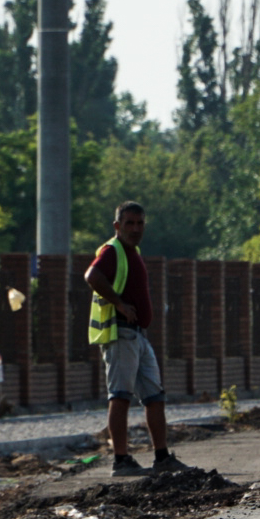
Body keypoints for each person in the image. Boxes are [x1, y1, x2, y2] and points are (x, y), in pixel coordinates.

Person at [85, 201, 187, 478]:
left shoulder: (133, 252)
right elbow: (91, 275)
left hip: (138, 336)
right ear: (117, 226)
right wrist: (119, 304)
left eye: (140, 223)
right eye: (129, 223)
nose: (135, 229)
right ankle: (121, 460)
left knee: (155, 396)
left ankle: (162, 457)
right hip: (121, 335)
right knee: (120, 396)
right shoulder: (112, 251)